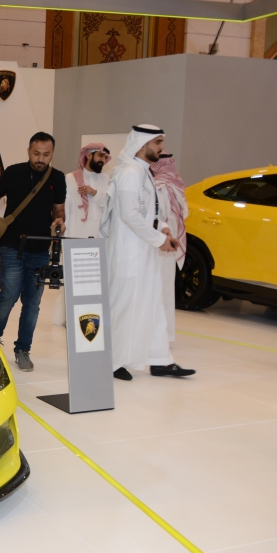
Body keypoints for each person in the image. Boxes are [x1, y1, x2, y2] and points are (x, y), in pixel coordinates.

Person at [101, 125, 194, 381]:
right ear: (143, 144)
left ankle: (160, 360)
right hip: (129, 254)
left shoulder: (144, 173)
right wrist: (158, 239)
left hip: (144, 251)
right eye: (158, 143)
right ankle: (112, 361)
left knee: (153, 305)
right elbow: (130, 214)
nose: (161, 148)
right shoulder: (129, 173)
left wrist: (165, 230)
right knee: (124, 306)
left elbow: (153, 212)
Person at [0, 132, 66, 372]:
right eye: (36, 153)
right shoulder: (13, 172)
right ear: (29, 151)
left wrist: (60, 220)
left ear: (52, 154)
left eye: (46, 154)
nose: (40, 158)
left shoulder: (57, 178)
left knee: (33, 304)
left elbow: (59, 211)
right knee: (8, 296)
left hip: (40, 250)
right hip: (11, 247)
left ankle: (22, 349)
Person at [53, 143, 111, 326]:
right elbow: (65, 208)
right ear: (88, 156)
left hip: (100, 237)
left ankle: (91, 317)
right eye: (99, 156)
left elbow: (111, 205)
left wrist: (95, 193)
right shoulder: (70, 179)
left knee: (96, 280)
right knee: (73, 278)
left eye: (104, 157)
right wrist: (64, 239)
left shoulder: (107, 180)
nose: (102, 160)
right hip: (76, 234)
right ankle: (68, 317)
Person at [151, 153, 188, 343]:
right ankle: (166, 334)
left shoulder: (159, 187)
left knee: (157, 289)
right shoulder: (177, 186)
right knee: (166, 289)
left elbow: (157, 216)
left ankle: (157, 334)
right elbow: (185, 214)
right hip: (170, 242)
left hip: (160, 243)